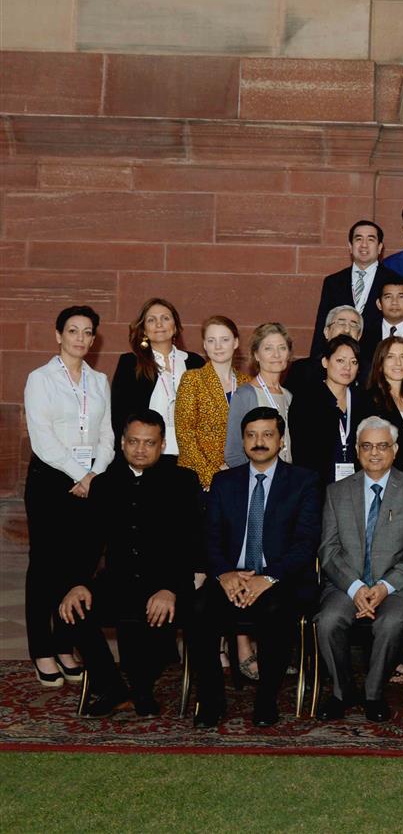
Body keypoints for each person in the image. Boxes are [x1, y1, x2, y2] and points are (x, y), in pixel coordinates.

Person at [57, 409, 202, 716]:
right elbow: (88, 543)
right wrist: (77, 584)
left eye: (149, 443)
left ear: (162, 444)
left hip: (167, 582)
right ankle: (114, 688)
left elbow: (191, 543)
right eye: (133, 441)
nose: (140, 449)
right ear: (122, 443)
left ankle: (141, 689)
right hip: (119, 580)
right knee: (71, 611)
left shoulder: (183, 481)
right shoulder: (105, 484)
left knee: (151, 617)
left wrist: (170, 588)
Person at [190, 406, 321, 727]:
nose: (258, 442)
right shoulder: (224, 482)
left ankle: (266, 699)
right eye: (251, 435)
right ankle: (211, 701)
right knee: (197, 609)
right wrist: (224, 573)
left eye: (267, 435)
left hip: (281, 579)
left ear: (280, 440)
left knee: (276, 611)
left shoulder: (304, 481)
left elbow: (306, 542)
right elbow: (210, 536)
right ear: (243, 441)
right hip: (231, 577)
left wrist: (269, 577)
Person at [314, 416, 403, 723]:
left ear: (395, 449)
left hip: (398, 586)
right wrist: (356, 588)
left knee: (391, 623)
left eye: (382, 446)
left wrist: (381, 588)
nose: (375, 453)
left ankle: (373, 694)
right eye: (367, 446)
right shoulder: (336, 492)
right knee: (327, 622)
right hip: (345, 584)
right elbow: (328, 549)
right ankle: (342, 692)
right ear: (357, 450)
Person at [24, 306, 116, 687]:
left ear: (94, 339)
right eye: (73, 330)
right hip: (51, 481)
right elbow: (43, 438)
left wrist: (95, 474)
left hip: (92, 480)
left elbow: (107, 434)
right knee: (47, 566)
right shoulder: (40, 379)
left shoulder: (99, 381)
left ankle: (66, 643)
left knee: (80, 566)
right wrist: (81, 474)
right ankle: (42, 649)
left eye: (87, 332)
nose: (80, 338)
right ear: (58, 334)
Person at [111, 296, 205, 461]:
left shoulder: (195, 362)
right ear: (144, 330)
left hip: (190, 456)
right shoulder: (130, 363)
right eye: (152, 320)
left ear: (175, 327)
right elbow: (119, 416)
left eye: (165, 318)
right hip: (146, 456)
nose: (159, 324)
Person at [176, 315, 252, 490]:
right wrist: (213, 475)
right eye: (211, 340)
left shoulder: (247, 383)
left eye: (224, 340)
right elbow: (185, 435)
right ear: (204, 345)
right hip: (199, 478)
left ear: (235, 342)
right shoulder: (192, 379)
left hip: (238, 475)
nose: (218, 346)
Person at [310, 220, 403, 357]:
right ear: (350, 246)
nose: (364, 245)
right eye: (358, 239)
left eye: (370, 239)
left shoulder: (395, 282)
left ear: (380, 247)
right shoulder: (333, 282)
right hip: (338, 361)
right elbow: (322, 327)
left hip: (377, 362)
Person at [288, 334, 360, 489]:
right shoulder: (307, 399)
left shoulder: (363, 401)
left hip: (356, 486)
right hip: (317, 486)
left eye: (353, 362)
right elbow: (301, 453)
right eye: (340, 360)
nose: (347, 367)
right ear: (325, 362)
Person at [224, 322, 294, 468]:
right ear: (256, 354)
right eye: (268, 348)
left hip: (287, 478)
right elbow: (233, 453)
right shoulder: (244, 395)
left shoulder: (289, 396)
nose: (276, 354)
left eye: (282, 348)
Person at [356, 335, 403, 476]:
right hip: (383, 480)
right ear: (380, 364)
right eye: (390, 357)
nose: (398, 363)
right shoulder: (368, 400)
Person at [291, 305, 363, 395]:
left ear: (359, 336)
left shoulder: (368, 372)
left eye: (353, 325)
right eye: (341, 323)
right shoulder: (302, 370)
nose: (347, 329)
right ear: (326, 332)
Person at [358, 279, 403, 371]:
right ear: (379, 304)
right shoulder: (365, 334)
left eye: (401, 297)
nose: (394, 302)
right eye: (388, 297)